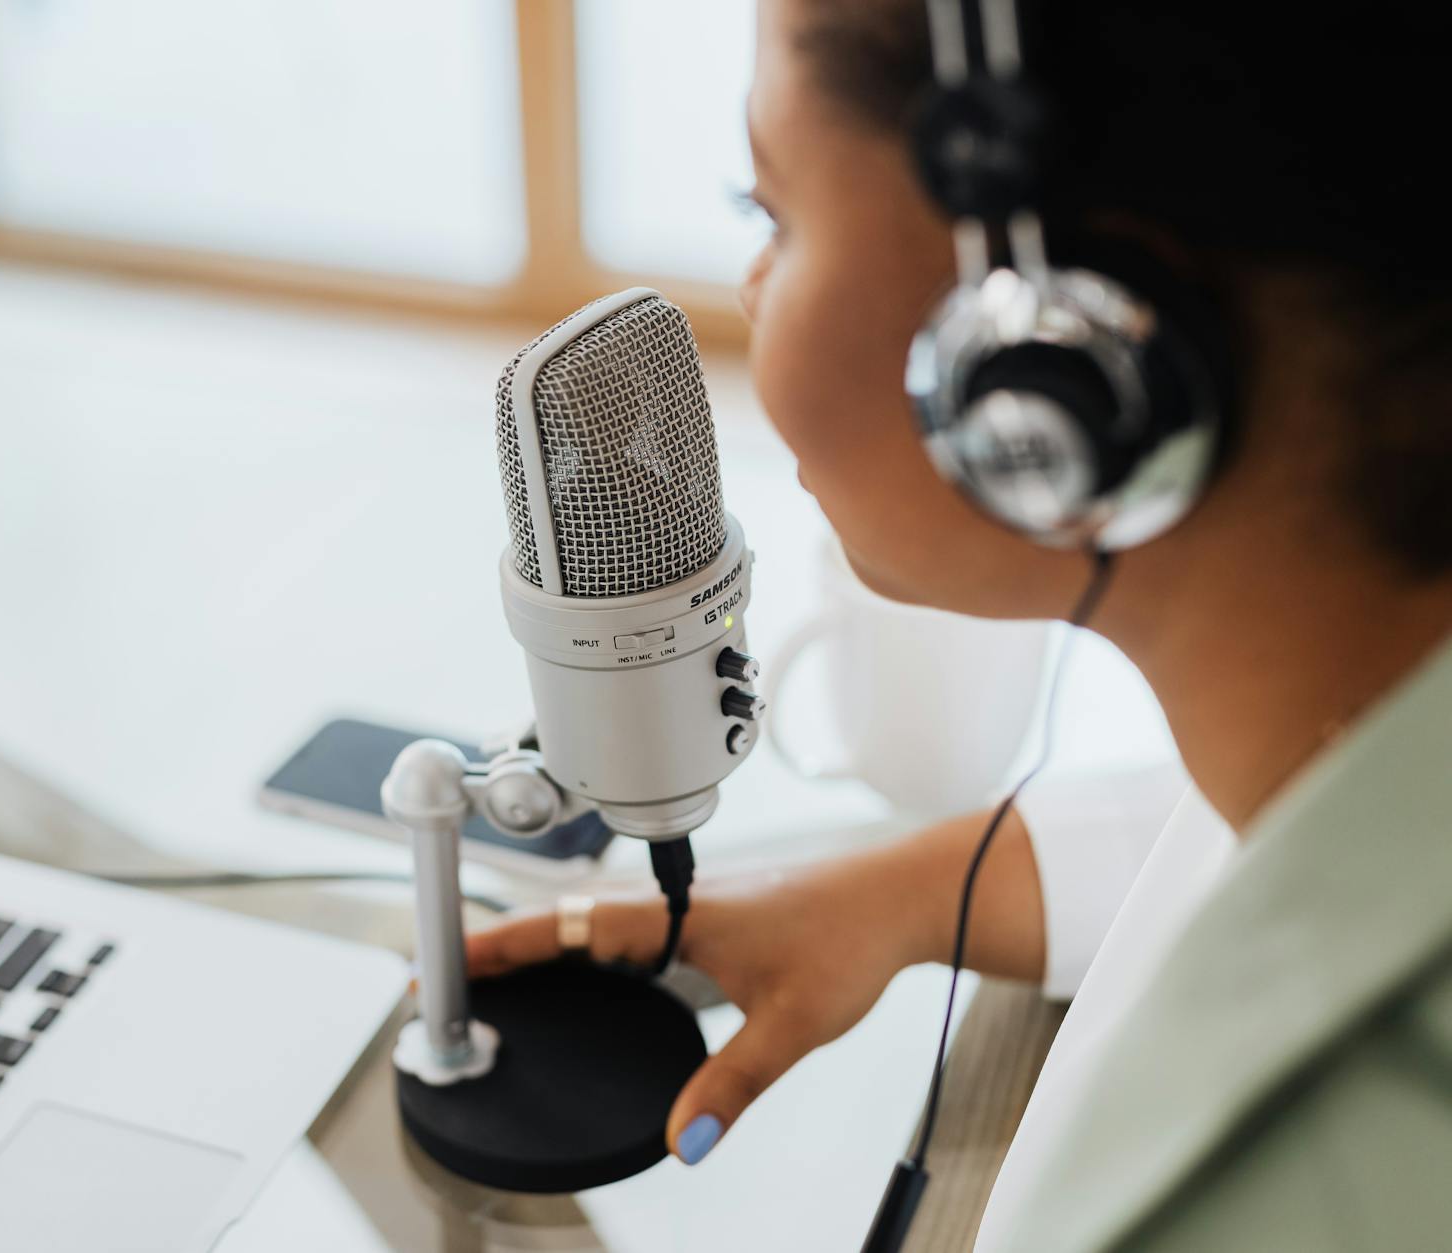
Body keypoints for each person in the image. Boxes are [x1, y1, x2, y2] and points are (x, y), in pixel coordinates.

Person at [468, 1, 1452, 1247]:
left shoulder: (1308, 1188)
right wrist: (892, 895)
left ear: (1045, 348)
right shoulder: (1355, 712)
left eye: (769, 213)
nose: (747, 286)